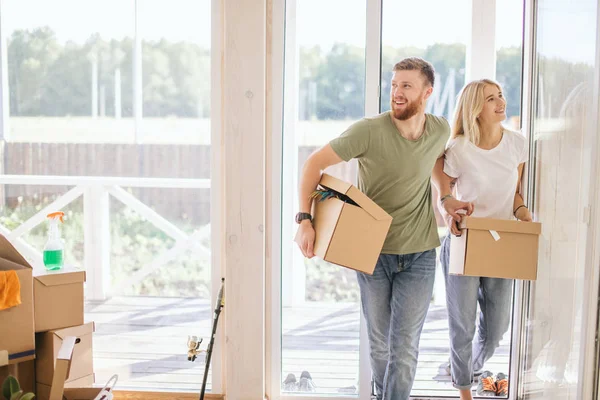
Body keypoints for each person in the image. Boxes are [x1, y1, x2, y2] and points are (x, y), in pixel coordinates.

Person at [295, 57, 470, 400]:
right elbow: (314, 163)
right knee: (380, 345)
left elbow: (436, 160)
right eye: (393, 85)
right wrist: (305, 220)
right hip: (371, 253)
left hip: (419, 252)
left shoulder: (439, 129)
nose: (397, 92)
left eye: (406, 85)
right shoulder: (368, 131)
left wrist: (445, 197)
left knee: (404, 347)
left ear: (427, 92)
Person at [433, 78, 532, 399]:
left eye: (501, 95)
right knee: (462, 326)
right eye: (491, 99)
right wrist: (451, 213)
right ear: (476, 109)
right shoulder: (458, 149)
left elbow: (515, 193)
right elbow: (444, 193)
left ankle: (467, 368)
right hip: (465, 241)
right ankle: (464, 390)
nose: (501, 102)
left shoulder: (517, 144)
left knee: (496, 330)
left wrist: (523, 212)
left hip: (502, 243)